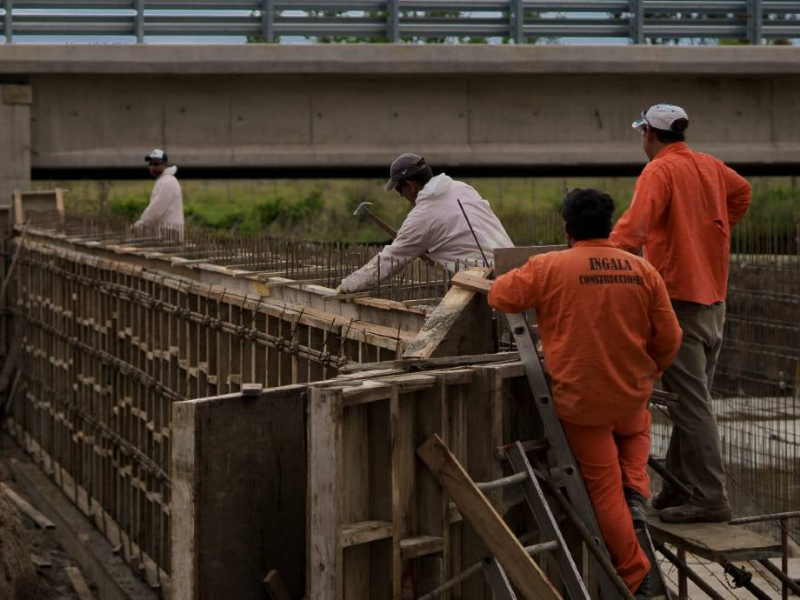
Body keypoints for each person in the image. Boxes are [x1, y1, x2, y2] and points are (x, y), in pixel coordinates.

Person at [488, 188, 682, 598]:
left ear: (566, 227)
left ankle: (633, 571)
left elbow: (500, 295)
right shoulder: (642, 270)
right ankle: (637, 491)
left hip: (582, 405)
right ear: (610, 225)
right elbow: (669, 337)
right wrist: (652, 371)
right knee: (637, 434)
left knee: (603, 488)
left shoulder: (549, 267)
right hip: (631, 396)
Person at [611, 104, 751, 524]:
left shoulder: (658, 171)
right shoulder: (710, 165)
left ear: (650, 135)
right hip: (713, 302)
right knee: (692, 401)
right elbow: (741, 192)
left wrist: (593, 260)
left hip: (678, 303)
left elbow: (631, 231)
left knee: (692, 405)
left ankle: (711, 498)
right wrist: (713, 231)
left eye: (642, 134)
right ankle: (676, 487)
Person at [337, 153, 513, 293]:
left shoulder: (420, 218)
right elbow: (460, 230)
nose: (401, 196)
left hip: (490, 284)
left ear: (410, 185)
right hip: (516, 268)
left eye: (400, 190)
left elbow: (388, 262)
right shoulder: (462, 188)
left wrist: (346, 286)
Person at [135, 149, 185, 234]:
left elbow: (155, 210)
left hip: (168, 232)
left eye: (156, 164)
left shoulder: (167, 182)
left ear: (165, 165)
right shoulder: (163, 180)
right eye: (150, 164)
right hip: (166, 232)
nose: (152, 167)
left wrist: (139, 225)